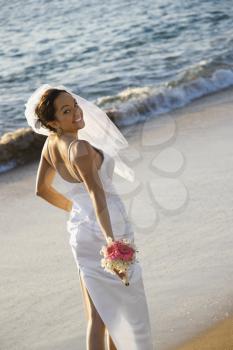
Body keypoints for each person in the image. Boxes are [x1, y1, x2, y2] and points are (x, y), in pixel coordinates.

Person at [25, 85, 154, 350]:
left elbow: (42, 190)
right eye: (66, 111)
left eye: (74, 105)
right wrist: (111, 242)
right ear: (52, 121)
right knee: (127, 308)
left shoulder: (50, 145)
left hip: (80, 231)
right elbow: (97, 194)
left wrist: (74, 209)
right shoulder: (80, 148)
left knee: (98, 316)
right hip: (106, 228)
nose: (76, 113)